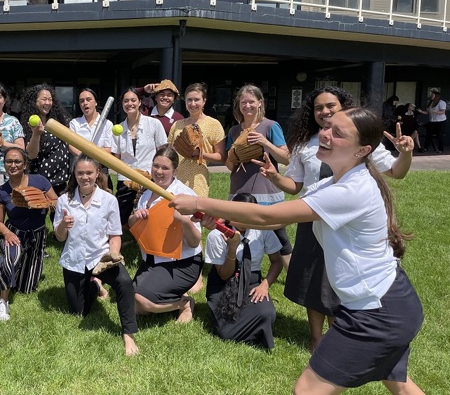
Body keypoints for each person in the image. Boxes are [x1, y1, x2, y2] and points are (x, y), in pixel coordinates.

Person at [171, 108, 424, 393]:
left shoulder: (351, 190)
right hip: (389, 303)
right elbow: (277, 218)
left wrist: (201, 204)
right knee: (400, 386)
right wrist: (221, 221)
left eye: (339, 134)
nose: (326, 135)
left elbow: (269, 216)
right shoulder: (331, 182)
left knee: (305, 390)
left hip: (377, 312)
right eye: (328, 127)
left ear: (362, 150)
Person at [261, 86, 414, 352]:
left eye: (330, 106)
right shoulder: (304, 144)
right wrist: (275, 177)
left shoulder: (359, 139)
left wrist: (406, 153)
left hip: (347, 222)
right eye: (319, 107)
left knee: (338, 276)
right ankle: (316, 336)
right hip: (312, 217)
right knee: (312, 279)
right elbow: (296, 186)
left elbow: (395, 172)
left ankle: (340, 331)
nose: (325, 112)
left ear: (342, 106)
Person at [53, 155, 139, 356]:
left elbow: (115, 234)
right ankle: (95, 286)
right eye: (80, 173)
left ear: (97, 173)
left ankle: (128, 333)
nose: (85, 177)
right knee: (79, 313)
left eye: (89, 172)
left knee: (125, 282)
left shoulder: (109, 200)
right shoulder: (64, 200)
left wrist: (114, 254)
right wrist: (63, 226)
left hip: (101, 258)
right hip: (74, 260)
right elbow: (59, 237)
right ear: (74, 174)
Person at [128, 147, 203, 323]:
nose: (159, 172)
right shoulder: (145, 194)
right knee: (132, 305)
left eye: (165, 168)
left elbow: (195, 242)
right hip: (152, 261)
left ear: (175, 171)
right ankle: (168, 295)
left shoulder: (185, 196)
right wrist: (134, 218)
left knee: (142, 300)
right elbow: (134, 226)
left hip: (182, 263)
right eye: (156, 166)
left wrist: (185, 221)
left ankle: (183, 304)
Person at [225, 84, 292, 269]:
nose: (247, 106)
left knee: (279, 234)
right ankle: (240, 269)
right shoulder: (234, 131)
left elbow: (285, 158)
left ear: (260, 103)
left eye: (251, 102)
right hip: (239, 189)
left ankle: (292, 275)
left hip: (266, 190)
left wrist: (265, 143)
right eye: (243, 102)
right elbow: (229, 165)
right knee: (239, 232)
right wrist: (234, 154)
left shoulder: (270, 126)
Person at [204, 193, 282, 349]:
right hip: (223, 284)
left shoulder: (263, 231)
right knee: (227, 333)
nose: (245, 219)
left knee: (266, 314)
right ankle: (243, 330)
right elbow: (224, 275)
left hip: (251, 283)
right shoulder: (217, 235)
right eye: (240, 214)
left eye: (250, 213)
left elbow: (277, 262)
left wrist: (265, 285)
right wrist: (232, 248)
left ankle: (255, 331)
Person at [0, 147, 57, 321]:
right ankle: (2, 301)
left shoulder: (40, 181)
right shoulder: (2, 191)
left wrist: (43, 202)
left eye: (17, 161)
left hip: (37, 235)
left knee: (25, 288)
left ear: (25, 164)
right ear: (4, 164)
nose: (13, 165)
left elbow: (57, 202)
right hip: (15, 232)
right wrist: (7, 233)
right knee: (12, 258)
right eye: (9, 161)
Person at [112, 88, 168, 225]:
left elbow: (163, 151)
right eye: (126, 101)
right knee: (121, 215)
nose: (129, 103)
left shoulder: (154, 124)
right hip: (125, 179)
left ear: (139, 102)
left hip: (149, 176)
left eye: (133, 100)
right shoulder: (118, 129)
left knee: (150, 212)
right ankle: (124, 239)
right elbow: (116, 158)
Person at [167, 82, 226, 197]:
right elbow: (169, 151)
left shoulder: (213, 124)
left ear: (204, 101)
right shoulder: (177, 125)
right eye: (189, 100)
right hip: (176, 178)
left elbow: (222, 156)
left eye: (197, 100)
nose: (192, 103)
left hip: (198, 179)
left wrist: (200, 154)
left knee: (196, 213)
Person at [21, 83, 71, 196]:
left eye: (50, 99)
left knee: (59, 212)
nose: (47, 103)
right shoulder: (28, 124)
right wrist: (36, 134)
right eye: (44, 99)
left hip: (60, 179)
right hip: (40, 181)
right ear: (34, 101)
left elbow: (69, 144)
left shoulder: (60, 120)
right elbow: (30, 155)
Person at [68, 88, 113, 156]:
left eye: (89, 99)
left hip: (100, 165)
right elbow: (71, 145)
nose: (85, 103)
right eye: (81, 101)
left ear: (95, 102)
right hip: (80, 164)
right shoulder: (74, 123)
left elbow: (108, 149)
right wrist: (83, 156)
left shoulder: (107, 124)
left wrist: (91, 155)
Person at [423, 88, 446, 153]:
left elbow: (442, 112)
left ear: (436, 96)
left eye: (432, 95)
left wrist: (434, 111)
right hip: (432, 121)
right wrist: (422, 112)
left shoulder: (441, 102)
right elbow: (428, 112)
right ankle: (425, 148)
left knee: (439, 135)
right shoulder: (431, 103)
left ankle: (440, 149)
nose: (431, 96)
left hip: (440, 121)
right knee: (428, 134)